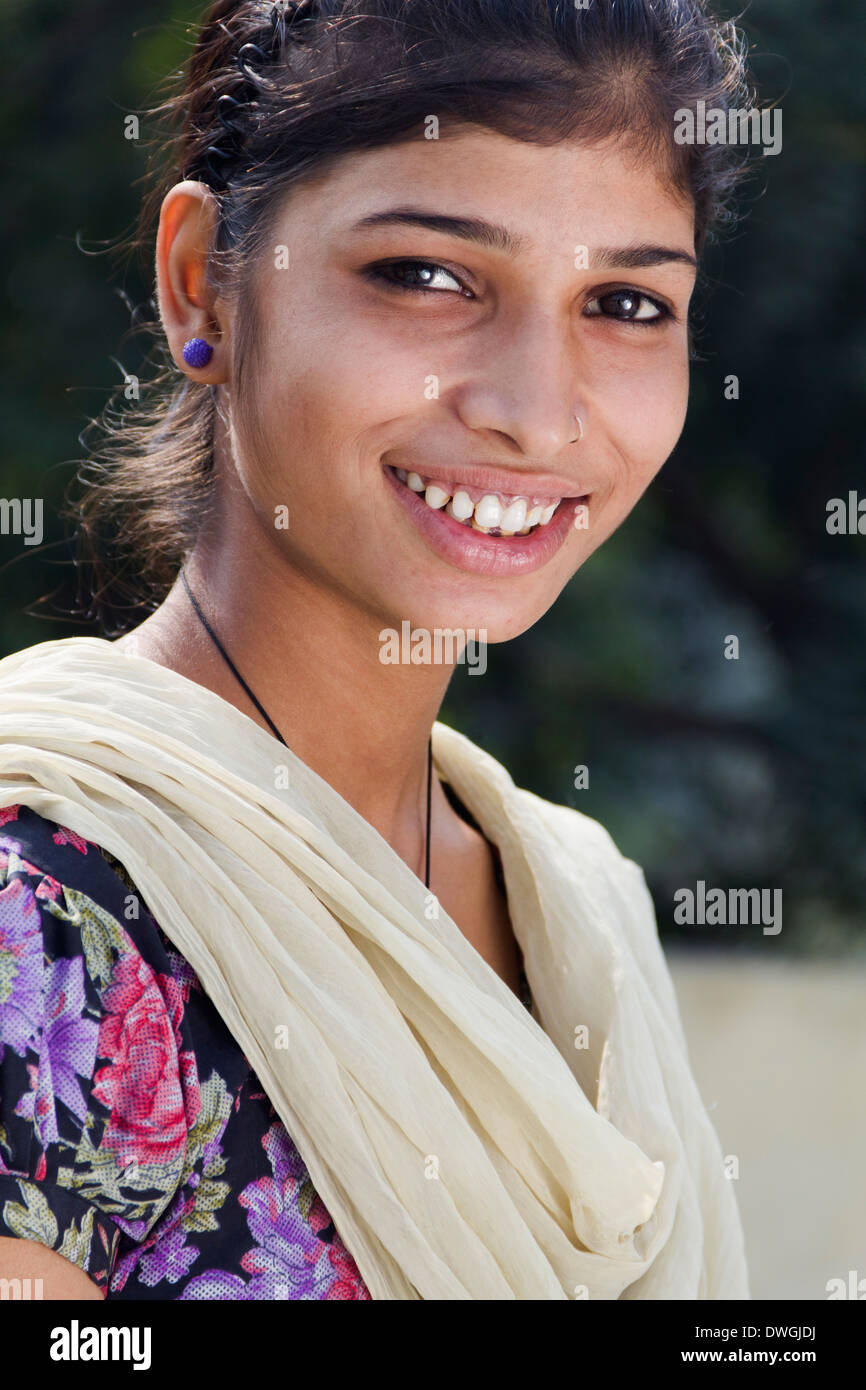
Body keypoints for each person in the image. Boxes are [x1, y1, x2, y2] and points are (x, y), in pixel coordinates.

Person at [0, 0, 755, 1299]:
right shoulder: (44, 920)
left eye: (624, 302)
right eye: (426, 274)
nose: (534, 410)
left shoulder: (579, 908)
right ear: (202, 281)